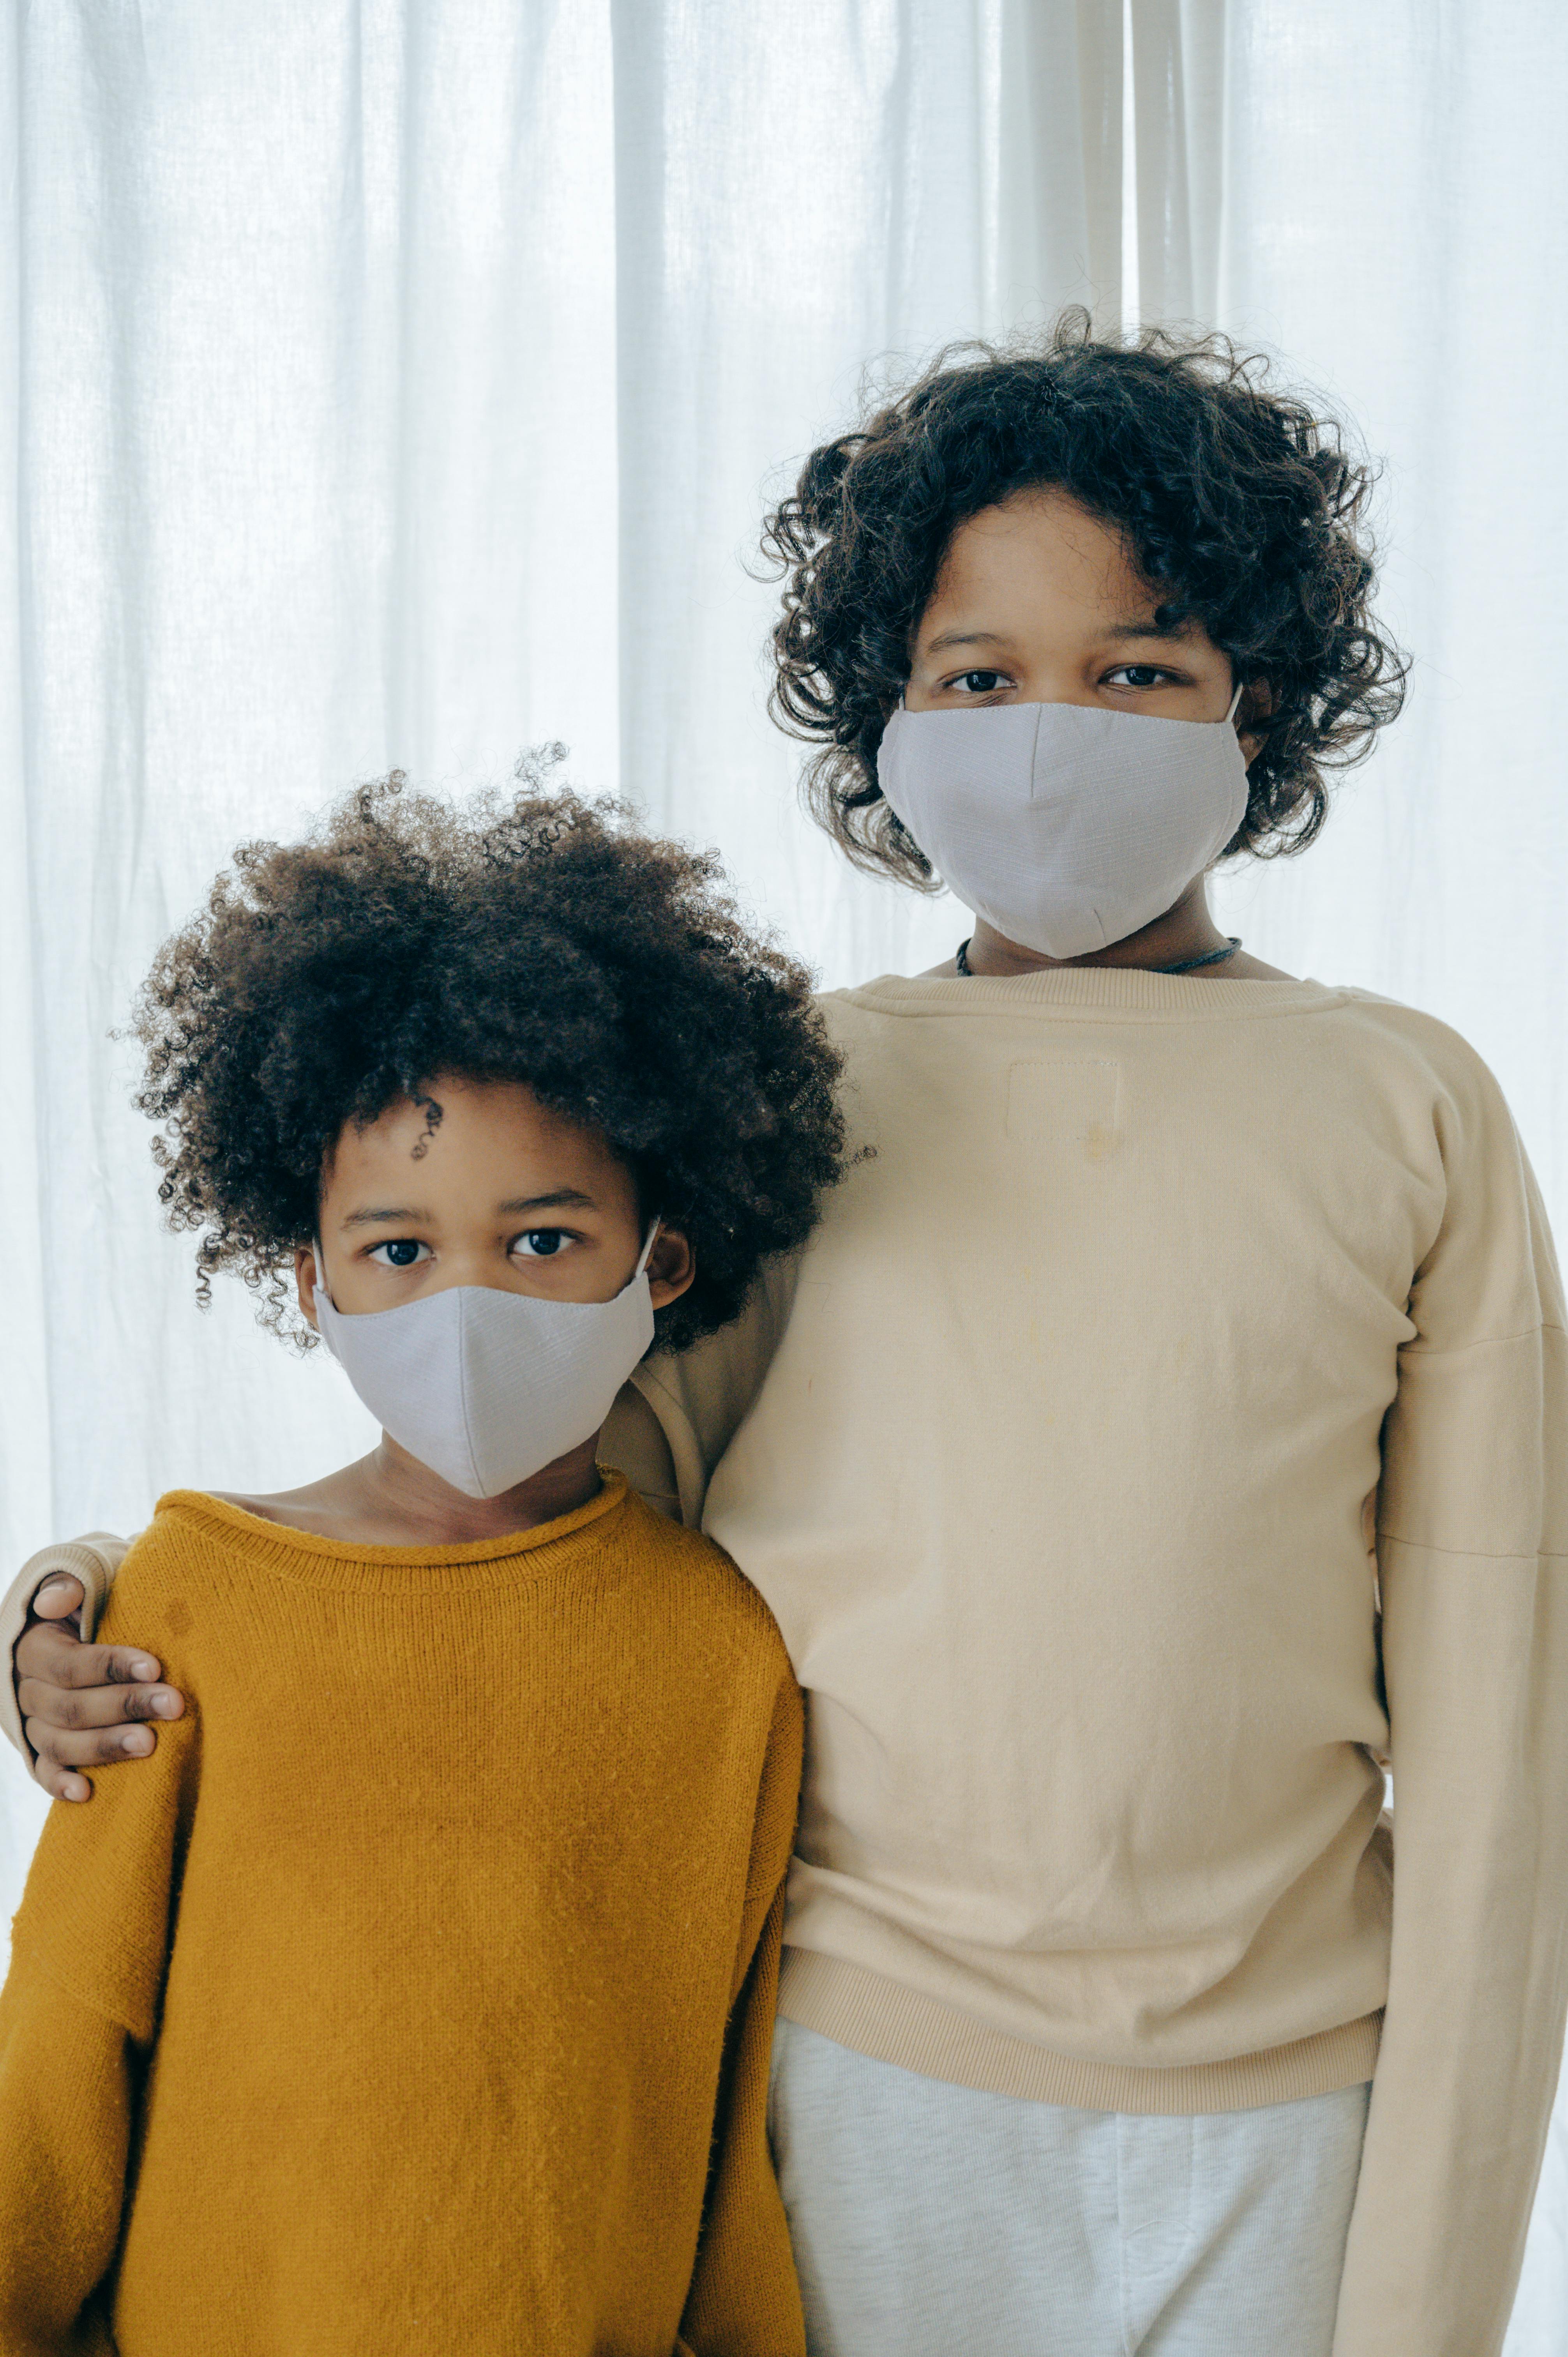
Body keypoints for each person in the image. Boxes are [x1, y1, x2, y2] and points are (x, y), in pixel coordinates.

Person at [10, 316, 1568, 2357]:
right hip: (852, 2092)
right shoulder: (803, 1097)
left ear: (1255, 701)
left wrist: (1432, 2296)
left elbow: (1500, 1725)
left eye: (1137, 671)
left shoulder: (1407, 1104)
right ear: (883, 720)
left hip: (1280, 2108)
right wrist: (103, 1594)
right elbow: (521, 1491)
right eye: (974, 677)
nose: (1047, 736)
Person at [0, 775, 846, 2354]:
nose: (468, 1303)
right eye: (397, 1248)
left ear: (660, 1254)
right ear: (304, 1274)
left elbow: (724, 2113)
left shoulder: (719, 1649)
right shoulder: (188, 1600)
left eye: (541, 1240)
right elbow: (61, 2042)